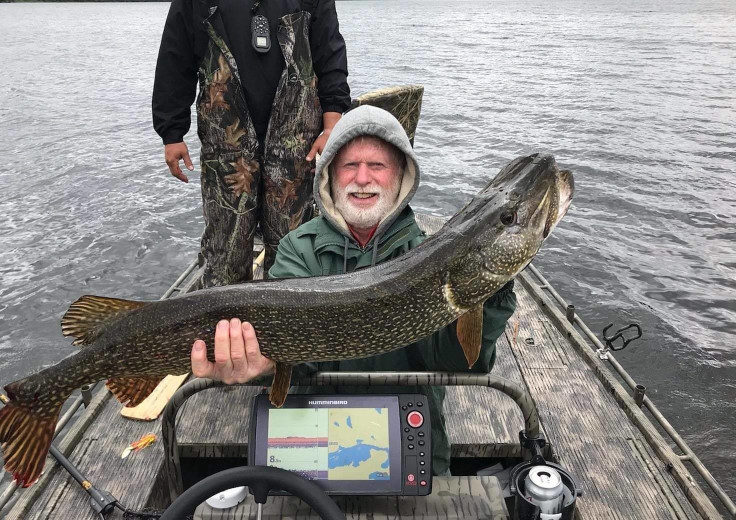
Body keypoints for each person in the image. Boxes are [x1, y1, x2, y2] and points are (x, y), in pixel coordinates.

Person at [190, 106, 517, 476]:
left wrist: (489, 294)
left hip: (408, 450)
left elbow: (457, 360)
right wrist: (262, 365)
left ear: (400, 176)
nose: (362, 178)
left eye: (377, 165)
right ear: (329, 175)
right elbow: (296, 354)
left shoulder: (423, 255)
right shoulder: (298, 249)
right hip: (315, 445)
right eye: (349, 165)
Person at [152, 0, 350, 287]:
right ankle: (224, 324)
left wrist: (331, 125)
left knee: (292, 251)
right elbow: (175, 55)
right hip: (226, 148)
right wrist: (171, 133)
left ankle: (287, 326)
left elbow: (330, 54)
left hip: (295, 148)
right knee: (224, 255)